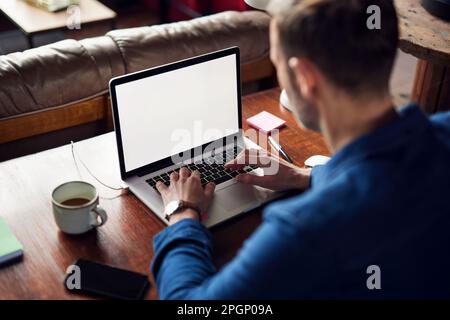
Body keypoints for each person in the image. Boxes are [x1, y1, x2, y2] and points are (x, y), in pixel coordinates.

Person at [151, 0, 450, 299]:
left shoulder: (304, 230)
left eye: (277, 63)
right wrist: (304, 176)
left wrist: (182, 212)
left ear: (305, 78)